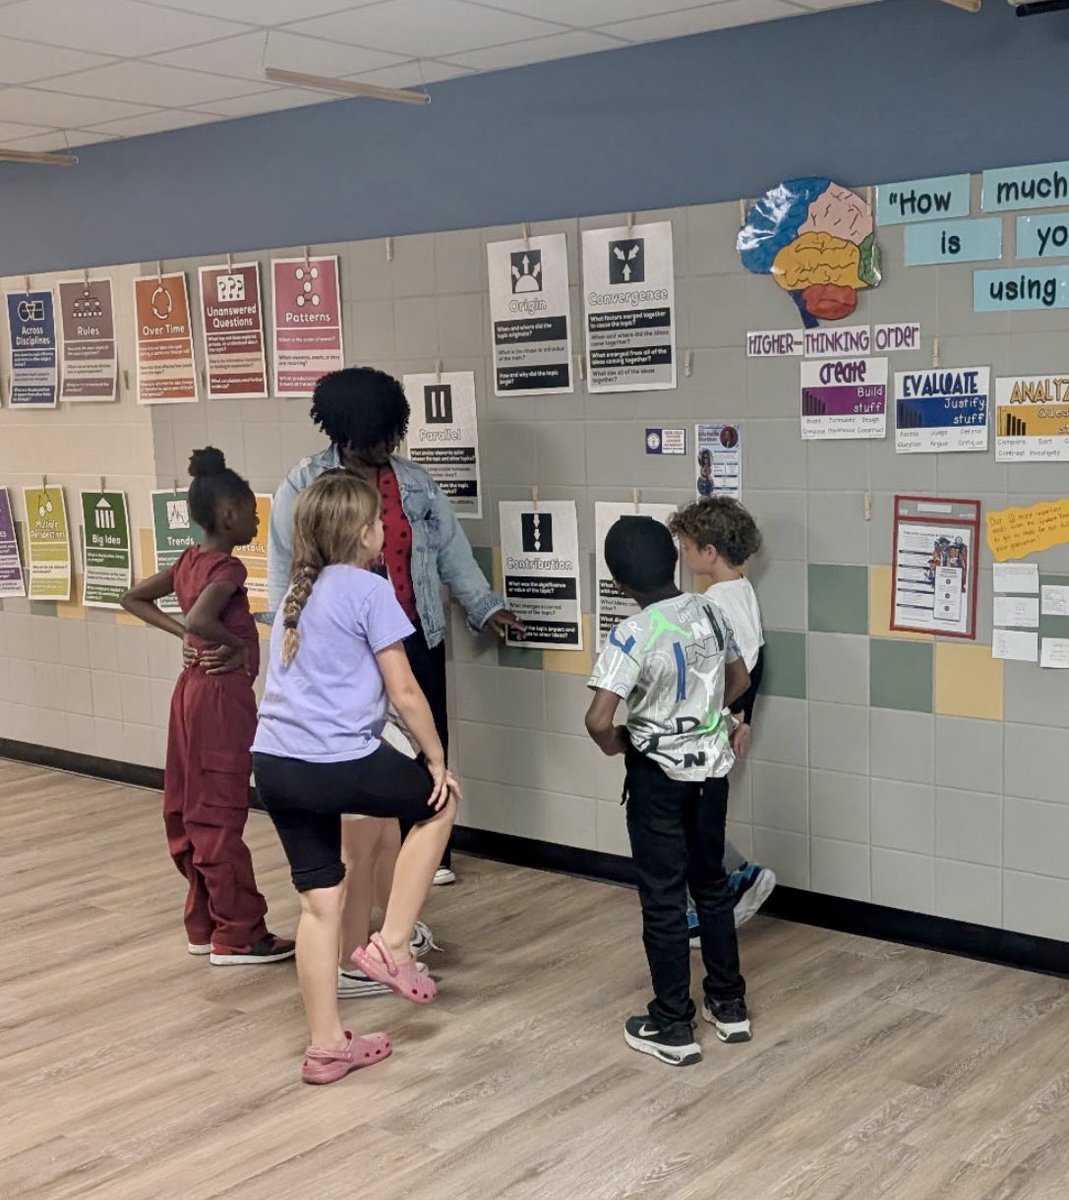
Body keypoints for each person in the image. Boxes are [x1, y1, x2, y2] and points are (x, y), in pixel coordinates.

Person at [267, 367, 524, 888]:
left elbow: (450, 549)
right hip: (341, 642)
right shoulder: (304, 483)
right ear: (342, 430)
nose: (388, 444)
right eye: (376, 435)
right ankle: (368, 854)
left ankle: (431, 850)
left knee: (426, 732)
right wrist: (285, 636)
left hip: (412, 630)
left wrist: (484, 605)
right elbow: (282, 568)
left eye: (393, 433)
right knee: (358, 742)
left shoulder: (414, 482)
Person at [252, 471, 460, 1085]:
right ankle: (391, 944)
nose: (383, 529)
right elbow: (405, 690)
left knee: (319, 904)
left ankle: (326, 1048)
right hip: (337, 762)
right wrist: (436, 759)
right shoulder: (369, 589)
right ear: (362, 532)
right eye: (377, 522)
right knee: (439, 805)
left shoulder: (298, 590)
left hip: (276, 767)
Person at [585, 516, 751, 1068]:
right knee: (711, 883)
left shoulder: (633, 634)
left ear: (618, 583)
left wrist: (618, 745)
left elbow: (598, 717)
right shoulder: (711, 611)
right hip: (711, 774)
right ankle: (729, 1006)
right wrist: (710, 718)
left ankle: (672, 1023)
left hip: (657, 778)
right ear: (676, 560)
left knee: (662, 898)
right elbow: (740, 680)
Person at [121, 448, 294, 966]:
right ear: (227, 515)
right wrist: (234, 645)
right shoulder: (226, 565)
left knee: (189, 807)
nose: (257, 516)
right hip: (220, 699)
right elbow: (200, 617)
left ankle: (204, 923)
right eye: (250, 508)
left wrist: (185, 636)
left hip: (190, 693)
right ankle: (240, 935)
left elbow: (133, 597)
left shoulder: (187, 562)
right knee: (218, 812)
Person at [669, 497, 777, 933]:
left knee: (689, 819)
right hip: (726, 719)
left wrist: (728, 714)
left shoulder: (715, 602)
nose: (683, 554)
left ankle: (728, 885)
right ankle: (732, 878)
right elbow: (758, 659)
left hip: (708, 727)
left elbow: (737, 668)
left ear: (709, 552)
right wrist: (744, 717)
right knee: (694, 818)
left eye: (687, 546)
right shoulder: (741, 592)